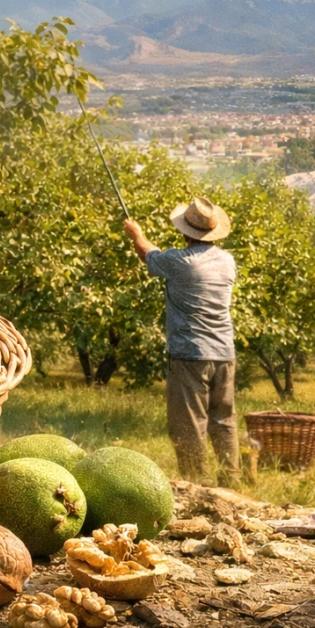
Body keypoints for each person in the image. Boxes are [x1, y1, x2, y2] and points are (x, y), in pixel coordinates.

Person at [124, 197, 240, 485]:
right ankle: (233, 480)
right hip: (224, 352)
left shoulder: (179, 262)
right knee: (224, 419)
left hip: (190, 354)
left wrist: (135, 233)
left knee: (189, 424)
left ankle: (196, 483)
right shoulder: (227, 261)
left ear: (186, 231)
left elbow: (146, 253)